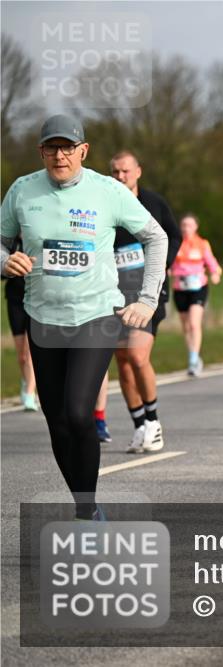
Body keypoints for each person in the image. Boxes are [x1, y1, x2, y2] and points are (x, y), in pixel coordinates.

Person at [0, 114, 167, 520]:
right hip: (43, 316)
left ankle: (85, 512)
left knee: (78, 412)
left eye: (68, 148)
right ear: (41, 151)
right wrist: (5, 262)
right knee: (56, 421)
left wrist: (147, 299)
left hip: (95, 315)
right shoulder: (23, 190)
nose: (60, 155)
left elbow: (156, 236)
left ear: (83, 151)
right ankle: (85, 504)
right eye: (52, 148)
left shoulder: (107, 191)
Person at [107, 150, 182, 454]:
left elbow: (174, 237)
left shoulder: (153, 203)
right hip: (115, 293)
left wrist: (164, 264)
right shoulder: (105, 205)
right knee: (123, 361)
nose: (120, 177)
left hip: (148, 292)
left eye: (125, 171)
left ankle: (153, 421)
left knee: (138, 356)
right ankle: (139, 424)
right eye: (114, 172)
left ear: (138, 171)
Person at [171, 214, 221, 376]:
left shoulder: (202, 244)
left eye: (190, 225)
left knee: (194, 323)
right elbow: (168, 262)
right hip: (180, 288)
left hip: (198, 287)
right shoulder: (176, 243)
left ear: (196, 227)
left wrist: (215, 273)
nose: (186, 228)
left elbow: (212, 262)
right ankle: (193, 355)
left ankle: (193, 360)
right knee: (186, 326)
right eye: (184, 225)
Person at [3, 238, 39, 411]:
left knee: (29, 351)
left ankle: (30, 393)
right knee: (22, 356)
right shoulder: (11, 244)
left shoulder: (38, 238)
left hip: (35, 299)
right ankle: (26, 381)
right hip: (15, 300)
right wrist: (8, 267)